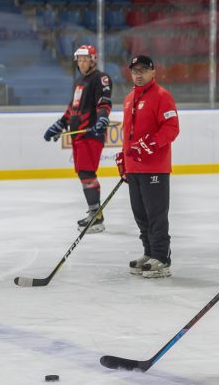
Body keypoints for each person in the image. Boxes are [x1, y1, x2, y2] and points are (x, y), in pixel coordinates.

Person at [115, 55, 179, 278]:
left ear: (154, 72)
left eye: (143, 70)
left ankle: (161, 257)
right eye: (135, 71)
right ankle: (149, 252)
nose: (139, 74)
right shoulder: (129, 98)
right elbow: (128, 134)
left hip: (155, 168)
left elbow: (171, 128)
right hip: (134, 169)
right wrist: (124, 157)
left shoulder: (162, 96)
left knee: (156, 215)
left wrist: (150, 144)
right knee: (140, 214)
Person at [43, 45, 113, 233]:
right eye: (79, 60)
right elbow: (72, 109)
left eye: (85, 59)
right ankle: (93, 213)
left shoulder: (101, 78)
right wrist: (59, 125)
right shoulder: (79, 81)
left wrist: (102, 120)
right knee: (84, 174)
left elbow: (104, 103)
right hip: (78, 136)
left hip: (90, 134)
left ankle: (97, 219)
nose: (82, 63)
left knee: (87, 173)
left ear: (93, 60)